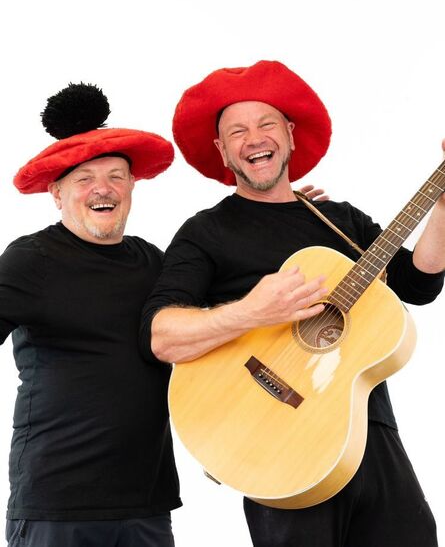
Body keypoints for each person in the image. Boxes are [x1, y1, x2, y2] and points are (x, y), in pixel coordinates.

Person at [142, 60, 445, 547]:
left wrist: (442, 206)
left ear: (289, 134)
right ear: (222, 152)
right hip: (277, 442)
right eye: (237, 131)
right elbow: (162, 336)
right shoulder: (205, 232)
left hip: (368, 429)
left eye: (266, 124)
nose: (253, 139)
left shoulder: (338, 220)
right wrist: (252, 312)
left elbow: (418, 284)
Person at [0, 82, 182, 547]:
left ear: (132, 186)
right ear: (57, 193)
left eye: (116, 176)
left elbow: (220, 324)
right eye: (84, 179)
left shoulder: (153, 261)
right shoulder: (30, 260)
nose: (103, 189)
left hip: (146, 502)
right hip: (57, 504)